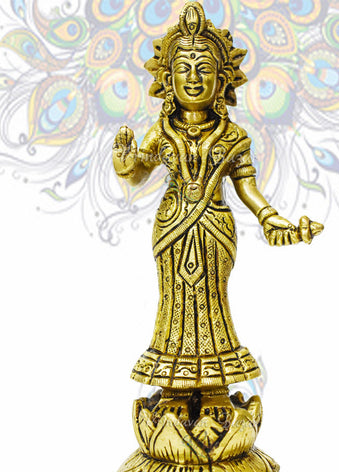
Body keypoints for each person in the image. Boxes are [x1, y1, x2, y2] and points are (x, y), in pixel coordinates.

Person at [112, 1, 322, 390]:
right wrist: (126, 164)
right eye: (183, 68)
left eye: (204, 69)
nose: (193, 78)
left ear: (223, 80)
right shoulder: (162, 132)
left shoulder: (233, 137)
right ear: (167, 79)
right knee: (174, 301)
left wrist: (270, 218)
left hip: (214, 231)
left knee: (211, 300)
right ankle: (172, 388)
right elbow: (139, 172)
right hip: (172, 229)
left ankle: (214, 387)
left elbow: (247, 188)